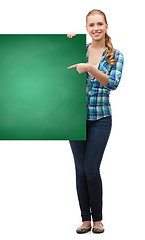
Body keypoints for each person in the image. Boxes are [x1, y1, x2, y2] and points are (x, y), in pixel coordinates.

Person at [67, 9, 124, 234]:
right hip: (74, 117)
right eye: (91, 25)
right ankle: (85, 220)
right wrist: (66, 44)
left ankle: (98, 220)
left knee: (91, 169)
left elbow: (113, 83)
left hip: (101, 118)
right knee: (80, 170)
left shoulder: (115, 55)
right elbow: (57, 69)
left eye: (100, 24)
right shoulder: (78, 50)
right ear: (87, 28)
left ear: (106, 26)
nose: (96, 28)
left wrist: (91, 68)